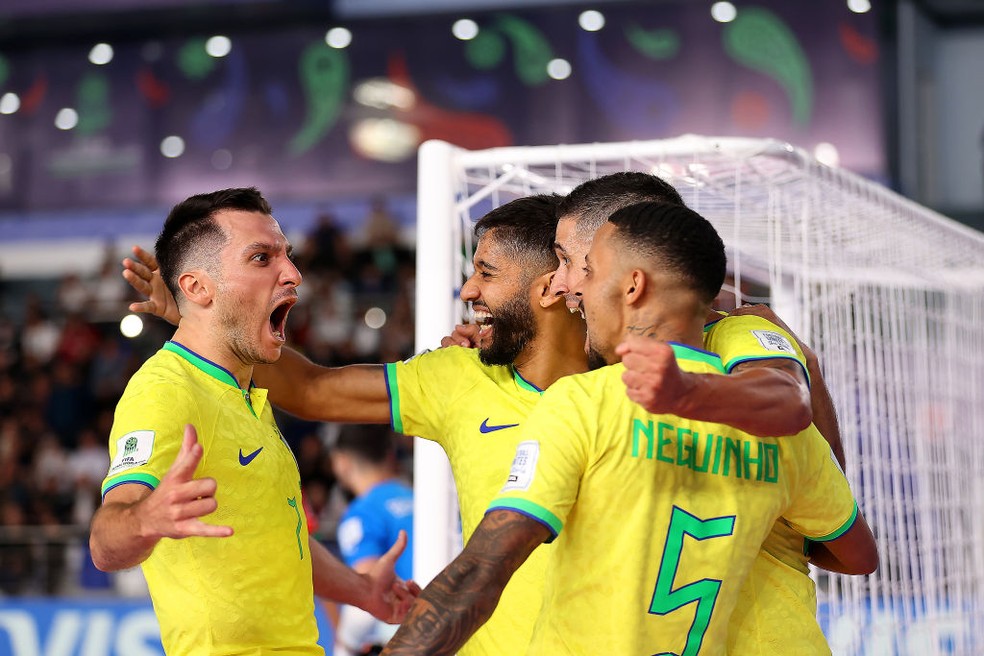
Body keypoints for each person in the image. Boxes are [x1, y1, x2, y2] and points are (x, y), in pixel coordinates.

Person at [120, 187, 825, 655]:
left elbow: (821, 507)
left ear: (555, 282)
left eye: (485, 271)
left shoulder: (658, 376)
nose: (466, 291)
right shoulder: (457, 377)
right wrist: (202, 315)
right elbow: (309, 387)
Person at [381, 202, 878, 655]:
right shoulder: (782, 427)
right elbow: (857, 555)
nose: (568, 287)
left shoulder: (583, 403)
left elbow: (480, 575)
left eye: (585, 270)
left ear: (633, 286)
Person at [89, 188, 416, 656]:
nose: (293, 274)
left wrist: (362, 591)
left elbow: (282, 543)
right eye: (262, 258)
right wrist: (146, 518)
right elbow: (105, 540)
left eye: (288, 255)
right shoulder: (165, 391)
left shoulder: (247, 394)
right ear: (198, 287)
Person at [544, 171, 852, 654]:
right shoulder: (603, 359)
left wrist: (691, 391)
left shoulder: (737, 336)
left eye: (569, 260)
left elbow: (791, 405)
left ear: (627, 264)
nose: (560, 279)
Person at [330, 425, 414, 656]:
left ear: (342, 461)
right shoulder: (418, 498)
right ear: (389, 455)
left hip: (414, 632)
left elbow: (369, 588)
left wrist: (344, 648)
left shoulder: (362, 514)